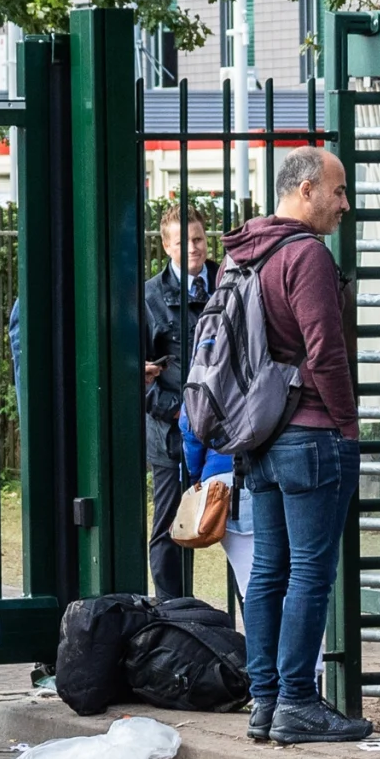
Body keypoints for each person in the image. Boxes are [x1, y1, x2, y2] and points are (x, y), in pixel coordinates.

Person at [225, 146, 365, 744]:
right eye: (336, 191)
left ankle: (265, 701)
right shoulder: (305, 254)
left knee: (269, 571)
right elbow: (325, 351)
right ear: (306, 190)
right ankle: (300, 703)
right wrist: (348, 424)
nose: (344, 204)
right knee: (310, 572)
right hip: (309, 431)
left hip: (259, 436)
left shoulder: (246, 252)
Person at [141, 213, 215, 599]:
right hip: (170, 435)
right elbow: (136, 376)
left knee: (240, 527)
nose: (194, 247)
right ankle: (173, 616)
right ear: (167, 246)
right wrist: (176, 409)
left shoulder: (228, 283)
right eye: (184, 241)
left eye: (199, 239)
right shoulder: (149, 296)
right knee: (170, 526)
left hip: (226, 433)